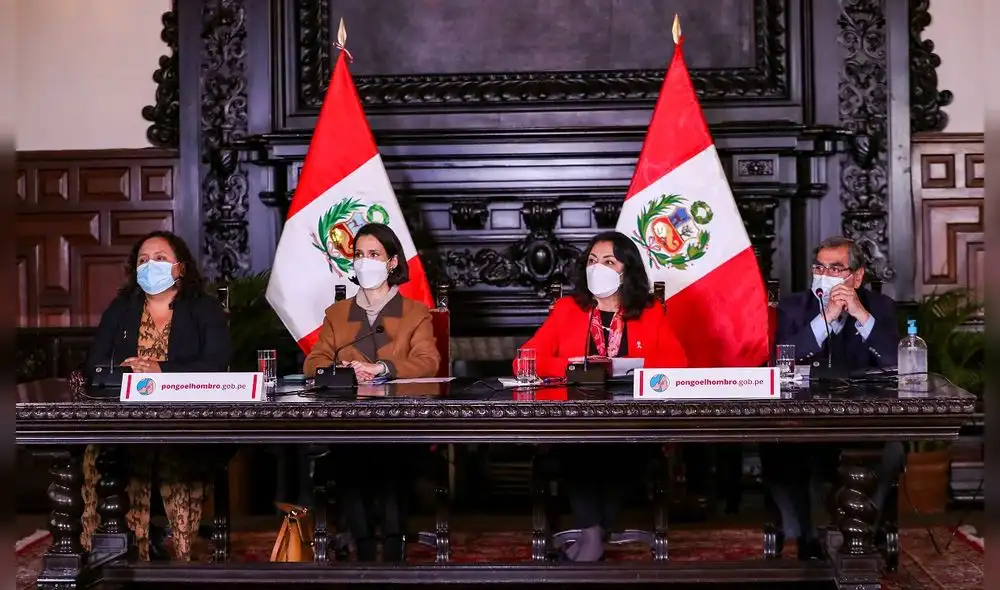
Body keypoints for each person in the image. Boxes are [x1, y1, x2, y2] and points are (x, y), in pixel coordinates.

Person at [519, 231, 688, 562]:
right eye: (592, 261)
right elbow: (525, 358)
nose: (598, 268)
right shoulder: (569, 309)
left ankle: (590, 536)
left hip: (633, 421)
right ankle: (593, 534)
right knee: (581, 445)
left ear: (627, 269)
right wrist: (573, 365)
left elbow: (678, 363)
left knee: (619, 449)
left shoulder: (649, 310)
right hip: (576, 420)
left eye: (608, 261)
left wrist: (625, 366)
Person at [82, 230, 231, 561]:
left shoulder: (203, 308)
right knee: (105, 453)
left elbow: (216, 364)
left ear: (180, 267)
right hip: (124, 421)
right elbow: (95, 365)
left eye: (160, 259)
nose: (151, 266)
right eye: (143, 260)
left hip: (184, 421)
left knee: (176, 455)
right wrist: (129, 372)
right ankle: (116, 550)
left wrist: (161, 370)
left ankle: (181, 551)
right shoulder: (122, 309)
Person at [303, 223, 440, 562]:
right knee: (350, 456)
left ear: (392, 262)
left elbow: (429, 362)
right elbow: (314, 362)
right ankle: (362, 547)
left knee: (388, 455)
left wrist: (383, 369)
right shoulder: (337, 314)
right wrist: (342, 369)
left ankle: (394, 548)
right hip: (349, 422)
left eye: (374, 254)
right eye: (359, 255)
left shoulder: (414, 312)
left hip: (400, 421)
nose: (365, 262)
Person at [759, 236, 903, 559]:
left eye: (836, 268)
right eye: (820, 267)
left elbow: (898, 362)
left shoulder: (879, 308)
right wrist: (824, 321)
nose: (825, 274)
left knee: (891, 451)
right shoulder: (793, 308)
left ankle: (863, 533)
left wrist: (860, 315)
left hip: (864, 419)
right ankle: (807, 540)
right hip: (803, 418)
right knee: (779, 447)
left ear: (857, 276)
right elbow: (779, 359)